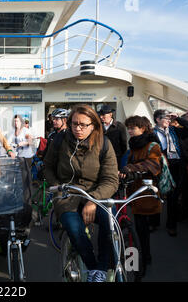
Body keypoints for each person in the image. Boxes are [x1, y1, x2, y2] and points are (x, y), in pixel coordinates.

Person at [45, 104, 118, 282]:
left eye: (83, 125)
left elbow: (111, 179)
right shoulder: (60, 140)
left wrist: (93, 201)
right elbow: (48, 167)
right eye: (74, 124)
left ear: (94, 125)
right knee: (75, 230)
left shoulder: (104, 144)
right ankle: (93, 268)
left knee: (110, 226)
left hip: (97, 193)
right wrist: (57, 186)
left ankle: (101, 268)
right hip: (67, 194)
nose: (78, 128)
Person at [119, 115, 162, 278]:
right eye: (128, 128)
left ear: (142, 128)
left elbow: (153, 165)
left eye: (133, 128)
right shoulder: (135, 145)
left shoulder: (152, 145)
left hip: (146, 192)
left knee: (142, 229)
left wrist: (130, 168)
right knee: (139, 227)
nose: (130, 131)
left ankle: (143, 260)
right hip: (135, 191)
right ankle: (143, 257)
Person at [153, 109, 188, 236]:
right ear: (158, 120)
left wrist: (178, 118)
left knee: (173, 196)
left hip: (177, 165)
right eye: (165, 118)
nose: (168, 120)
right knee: (157, 194)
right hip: (163, 166)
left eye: (168, 118)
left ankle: (171, 225)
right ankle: (154, 222)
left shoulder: (174, 130)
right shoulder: (152, 133)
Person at [98, 105, 127, 170]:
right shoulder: (98, 126)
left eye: (103, 115)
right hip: (101, 157)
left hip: (116, 158)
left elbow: (124, 144)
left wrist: (119, 156)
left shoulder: (119, 126)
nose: (101, 117)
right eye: (100, 115)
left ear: (110, 114)